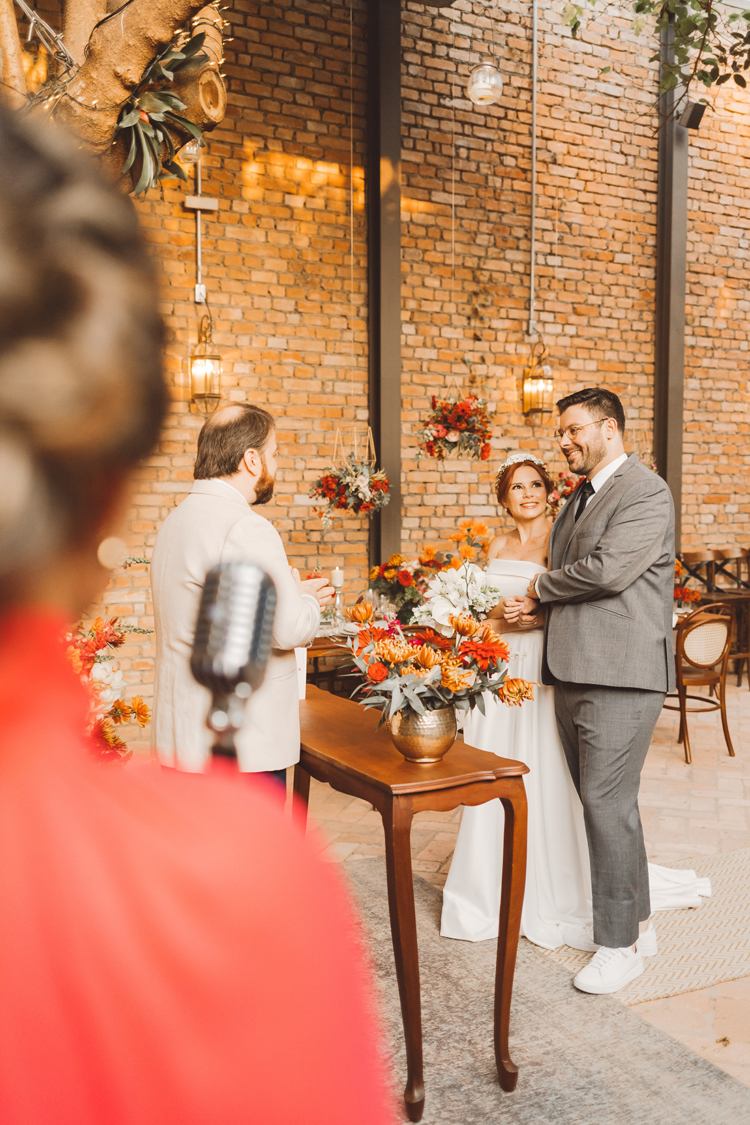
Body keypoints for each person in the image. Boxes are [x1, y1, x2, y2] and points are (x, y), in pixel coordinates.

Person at [0, 106, 392, 1123]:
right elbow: (279, 630)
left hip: (181, 713)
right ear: (97, 487)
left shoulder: (179, 521)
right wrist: (312, 607)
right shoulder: (230, 893)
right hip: (242, 731)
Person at [441, 444, 710, 986]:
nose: (529, 494)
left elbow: (584, 587)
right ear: (503, 497)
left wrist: (532, 612)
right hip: (501, 667)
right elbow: (487, 606)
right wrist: (491, 621)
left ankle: (593, 908)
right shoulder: (494, 543)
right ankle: (492, 884)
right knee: (501, 771)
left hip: (550, 663)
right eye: (517, 486)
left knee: (570, 786)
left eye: (535, 484)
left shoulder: (566, 533)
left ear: (549, 491)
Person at [151, 404, 334, 786]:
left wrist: (286, 593)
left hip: (181, 735)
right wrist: (310, 602)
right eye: (275, 454)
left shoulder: (177, 519)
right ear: (252, 460)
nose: (277, 465)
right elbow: (288, 630)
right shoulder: (247, 527)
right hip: (241, 744)